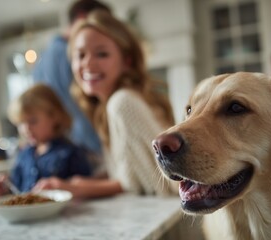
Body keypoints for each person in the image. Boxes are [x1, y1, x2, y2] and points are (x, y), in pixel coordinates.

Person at [32, 10, 178, 198]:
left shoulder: (122, 103)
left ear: (127, 61)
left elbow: (155, 185)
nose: (88, 64)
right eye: (80, 55)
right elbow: (127, 174)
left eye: (101, 54)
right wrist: (73, 184)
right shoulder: (106, 107)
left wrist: (76, 189)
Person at [32, 0, 112, 155]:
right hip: (90, 145)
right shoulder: (73, 55)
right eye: (101, 23)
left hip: (60, 149)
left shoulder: (41, 61)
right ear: (82, 17)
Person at [0, 84, 93, 198]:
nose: (26, 129)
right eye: (21, 123)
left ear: (54, 116)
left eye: (33, 121)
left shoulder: (71, 153)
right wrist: (4, 191)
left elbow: (84, 191)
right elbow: (18, 193)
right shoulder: (23, 155)